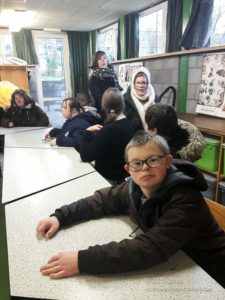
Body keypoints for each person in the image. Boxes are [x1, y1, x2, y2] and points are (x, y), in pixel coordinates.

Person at [36, 132, 225, 288]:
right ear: (128, 169)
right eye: (137, 163)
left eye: (153, 160)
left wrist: (82, 260)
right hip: (180, 258)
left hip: (210, 271)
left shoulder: (185, 199)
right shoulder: (133, 187)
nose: (144, 168)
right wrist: (60, 217)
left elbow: (149, 248)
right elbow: (100, 201)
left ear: (168, 161)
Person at [79, 87, 136, 184]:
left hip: (108, 181)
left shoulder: (109, 130)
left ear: (104, 106)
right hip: (125, 178)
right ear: (122, 104)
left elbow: (85, 156)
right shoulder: (131, 124)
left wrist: (87, 132)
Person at [89, 51, 122, 119]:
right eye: (100, 59)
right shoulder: (94, 77)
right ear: (96, 62)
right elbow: (98, 98)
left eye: (104, 58)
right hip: (103, 110)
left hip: (116, 106)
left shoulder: (112, 73)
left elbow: (117, 90)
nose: (103, 60)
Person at [124, 66, 156, 131]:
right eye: (138, 83)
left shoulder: (155, 98)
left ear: (148, 84)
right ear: (133, 84)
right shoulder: (125, 100)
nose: (141, 86)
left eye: (144, 82)